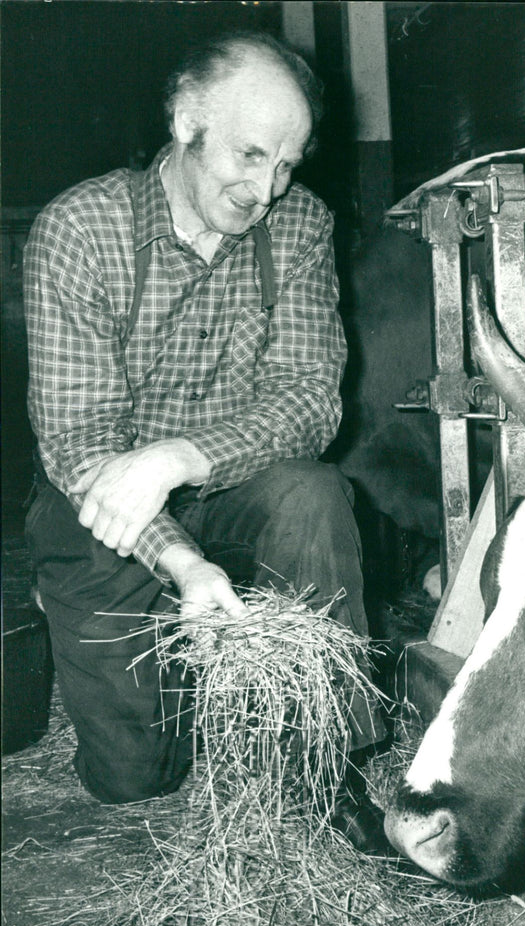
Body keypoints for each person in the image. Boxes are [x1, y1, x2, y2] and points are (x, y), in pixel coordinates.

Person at [23, 29, 390, 852]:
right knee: (133, 777)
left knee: (313, 492)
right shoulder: (81, 230)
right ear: (187, 120)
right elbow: (83, 449)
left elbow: (306, 401)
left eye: (289, 162)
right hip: (101, 514)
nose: (267, 188)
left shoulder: (299, 227)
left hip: (234, 487)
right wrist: (184, 563)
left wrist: (181, 458)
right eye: (251, 154)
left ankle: (328, 760)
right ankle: (154, 641)